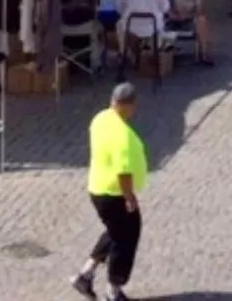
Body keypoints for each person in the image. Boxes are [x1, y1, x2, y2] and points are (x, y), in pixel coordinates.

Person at [73, 83, 148, 301]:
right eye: (134, 105)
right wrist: (130, 197)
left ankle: (85, 274)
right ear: (128, 105)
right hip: (114, 194)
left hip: (97, 188)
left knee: (116, 231)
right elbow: (123, 172)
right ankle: (113, 289)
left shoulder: (101, 118)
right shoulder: (122, 134)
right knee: (127, 237)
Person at [115, 0, 169, 77]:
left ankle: (124, 53)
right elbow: (165, 7)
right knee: (161, 22)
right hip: (152, 24)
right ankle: (153, 55)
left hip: (130, 24)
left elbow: (119, 6)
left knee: (120, 25)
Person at [169, 0, 213, 66]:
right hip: (175, 22)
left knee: (202, 20)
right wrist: (176, 16)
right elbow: (167, 11)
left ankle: (204, 53)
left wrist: (189, 15)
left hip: (189, 21)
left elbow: (200, 11)